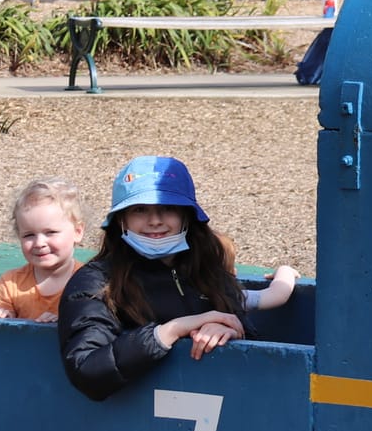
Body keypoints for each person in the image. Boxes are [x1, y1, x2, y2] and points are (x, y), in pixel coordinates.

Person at [58, 156, 249, 401]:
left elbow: (250, 333)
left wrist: (229, 331)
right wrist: (170, 331)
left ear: (187, 217)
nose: (155, 220)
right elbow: (86, 368)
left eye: (168, 208)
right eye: (140, 210)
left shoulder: (208, 272)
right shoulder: (95, 282)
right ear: (121, 220)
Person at [0, 178, 86, 323]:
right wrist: (4, 316)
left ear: (77, 232)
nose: (39, 243)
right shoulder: (11, 284)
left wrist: (66, 320)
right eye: (29, 235)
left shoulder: (87, 281)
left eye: (50, 232)